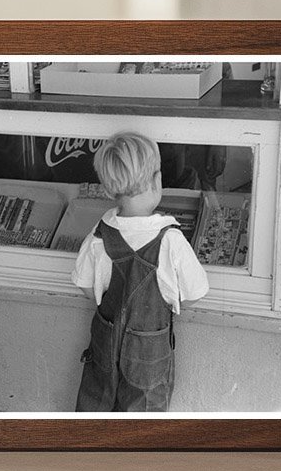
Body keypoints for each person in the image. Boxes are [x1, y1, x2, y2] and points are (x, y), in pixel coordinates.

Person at [72, 132, 209, 412]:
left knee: (96, 407)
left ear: (109, 190)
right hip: (150, 352)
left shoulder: (98, 238)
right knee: (143, 417)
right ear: (157, 181)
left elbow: (87, 287)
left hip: (105, 348)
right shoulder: (170, 241)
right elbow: (195, 293)